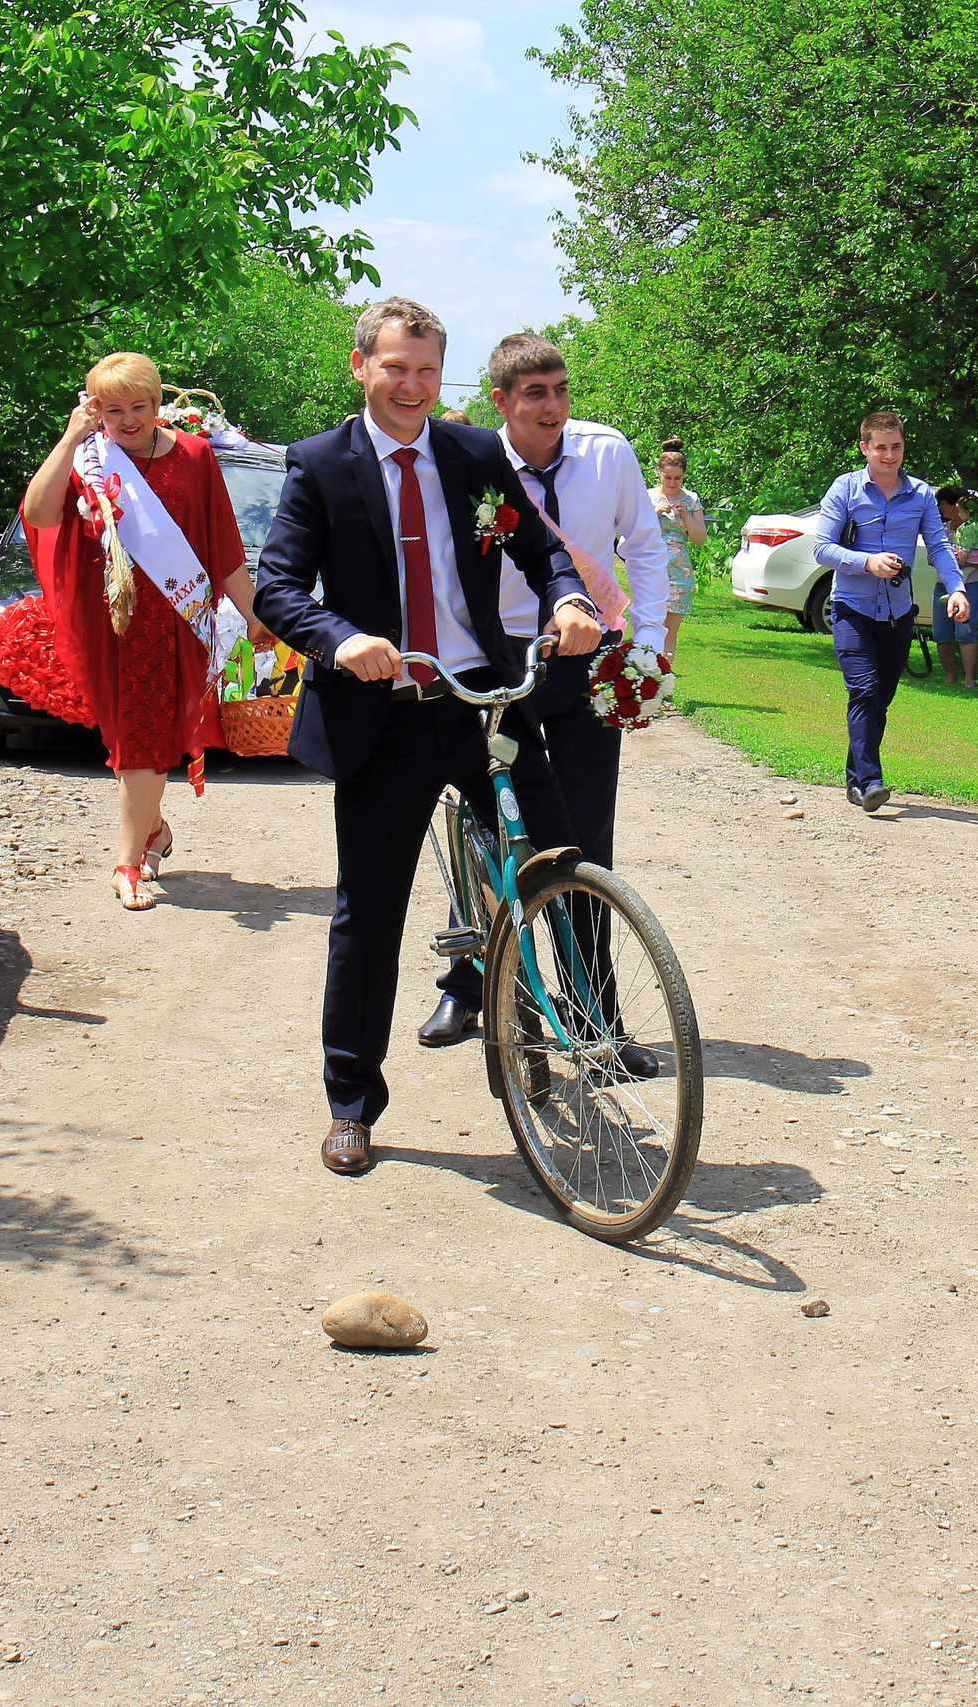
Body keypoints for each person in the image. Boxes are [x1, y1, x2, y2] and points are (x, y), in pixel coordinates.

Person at [249, 297, 600, 1178]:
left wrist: (568, 599)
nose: (412, 385)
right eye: (396, 367)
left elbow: (539, 549)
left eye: (426, 371)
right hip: (383, 713)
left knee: (554, 861)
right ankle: (351, 1103)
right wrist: (341, 639)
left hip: (480, 700)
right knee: (369, 913)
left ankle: (562, 1032)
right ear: (361, 365)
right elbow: (278, 587)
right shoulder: (320, 465)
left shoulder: (475, 453)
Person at [418, 330, 672, 1064]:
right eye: (536, 394)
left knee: (586, 844)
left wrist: (646, 643)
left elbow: (645, 548)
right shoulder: (470, 464)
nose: (554, 406)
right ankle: (471, 984)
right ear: (502, 400)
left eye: (561, 389)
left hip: (587, 660)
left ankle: (598, 1019)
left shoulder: (607, 452)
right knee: (497, 830)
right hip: (498, 664)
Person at [20, 352, 272, 911]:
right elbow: (38, 516)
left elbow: (223, 544)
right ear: (95, 409)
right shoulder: (88, 456)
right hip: (108, 621)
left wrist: (255, 614)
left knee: (143, 741)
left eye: (140, 406)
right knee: (127, 738)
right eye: (114, 410)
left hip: (172, 624)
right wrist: (70, 437)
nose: (128, 420)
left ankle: (127, 863)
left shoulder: (195, 456)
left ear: (159, 404)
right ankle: (154, 829)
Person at [812, 410, 967, 813]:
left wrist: (957, 589)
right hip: (852, 608)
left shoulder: (919, 494)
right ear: (865, 448)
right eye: (880, 447)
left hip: (898, 614)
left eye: (896, 447)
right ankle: (872, 780)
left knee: (879, 700)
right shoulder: (845, 489)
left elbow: (939, 546)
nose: (889, 455)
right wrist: (867, 562)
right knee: (863, 690)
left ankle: (856, 781)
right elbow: (822, 548)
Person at [934, 486, 978, 688]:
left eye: (943, 503)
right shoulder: (943, 530)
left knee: (965, 632)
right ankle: (950, 678)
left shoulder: (977, 528)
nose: (940, 508)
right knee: (942, 634)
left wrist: (966, 563)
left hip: (973, 584)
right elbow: (931, 557)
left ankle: (970, 679)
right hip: (943, 585)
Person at [649, 447, 706, 658]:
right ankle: (642, 668)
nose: (672, 483)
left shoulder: (691, 499)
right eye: (667, 478)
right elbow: (633, 532)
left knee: (670, 629)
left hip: (678, 570)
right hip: (652, 566)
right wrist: (653, 514)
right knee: (650, 623)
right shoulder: (648, 497)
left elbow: (700, 539)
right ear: (659, 472)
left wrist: (687, 518)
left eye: (678, 478)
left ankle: (663, 673)